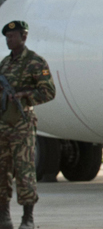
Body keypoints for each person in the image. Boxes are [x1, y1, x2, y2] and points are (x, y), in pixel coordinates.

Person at [0, 20, 56, 229]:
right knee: (1, 171)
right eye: (7, 36)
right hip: (3, 124)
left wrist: (25, 95)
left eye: (13, 36)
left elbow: (49, 92)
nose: (9, 39)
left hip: (22, 126)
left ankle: (27, 218)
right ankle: (4, 217)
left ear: (24, 37)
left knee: (24, 172)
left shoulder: (35, 62)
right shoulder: (5, 64)